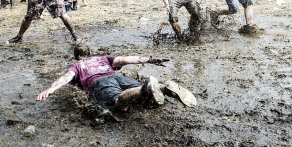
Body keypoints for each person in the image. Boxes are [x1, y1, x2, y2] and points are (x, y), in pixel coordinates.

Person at [36, 43, 196, 112]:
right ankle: (163, 87)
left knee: (119, 104)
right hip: (117, 77)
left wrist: (50, 89)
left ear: (77, 56)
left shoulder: (77, 66)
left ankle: (145, 89)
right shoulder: (102, 59)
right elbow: (127, 59)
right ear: (90, 53)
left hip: (99, 83)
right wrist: (151, 59)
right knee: (144, 99)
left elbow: (65, 78)